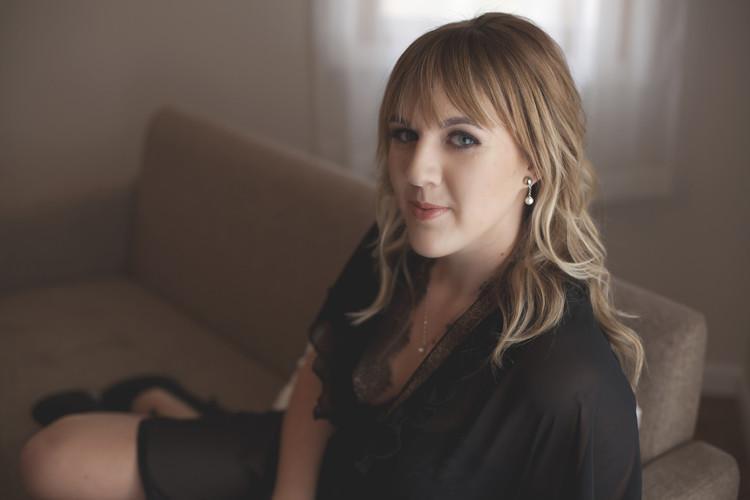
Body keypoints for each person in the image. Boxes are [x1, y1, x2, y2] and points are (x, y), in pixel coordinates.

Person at [19, 11, 644, 500]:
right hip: (317, 465)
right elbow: (323, 373)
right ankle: (171, 408)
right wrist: (290, 493)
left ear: (534, 160)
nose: (416, 172)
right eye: (405, 134)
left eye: (461, 138)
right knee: (52, 459)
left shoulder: (569, 384)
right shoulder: (398, 244)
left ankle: (168, 407)